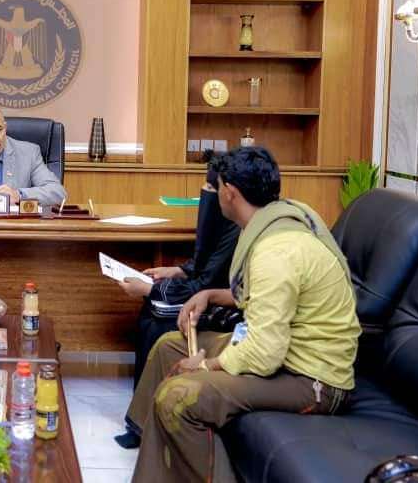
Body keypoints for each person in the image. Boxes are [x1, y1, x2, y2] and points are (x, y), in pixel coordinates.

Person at [127, 146, 360, 483]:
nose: (212, 194)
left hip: (312, 380)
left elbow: (264, 354)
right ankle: (154, 462)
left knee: (178, 395)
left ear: (230, 192)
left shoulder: (277, 252)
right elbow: (262, 299)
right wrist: (210, 295)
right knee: (169, 346)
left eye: (216, 186)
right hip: (284, 353)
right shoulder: (278, 221)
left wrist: (206, 366)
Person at [113, 152, 240, 449]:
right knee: (150, 316)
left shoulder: (238, 227)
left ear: (229, 191)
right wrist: (177, 270)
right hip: (207, 294)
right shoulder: (225, 217)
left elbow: (208, 282)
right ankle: (140, 417)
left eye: (211, 189)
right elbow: (203, 262)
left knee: (159, 322)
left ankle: (148, 422)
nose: (206, 194)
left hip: (222, 306)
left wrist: (149, 289)